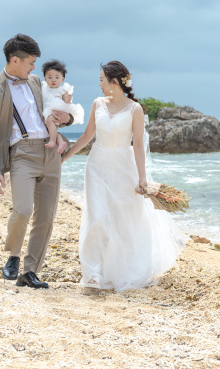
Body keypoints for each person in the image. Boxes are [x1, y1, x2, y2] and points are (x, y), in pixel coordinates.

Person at [61, 60, 185, 290]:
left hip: (123, 167)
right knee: (97, 216)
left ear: (114, 82)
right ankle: (93, 273)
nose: (98, 84)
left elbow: (138, 145)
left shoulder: (134, 109)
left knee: (124, 219)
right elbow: (88, 135)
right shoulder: (98, 103)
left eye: (101, 79)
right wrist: (65, 157)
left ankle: (126, 269)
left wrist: (142, 178)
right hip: (97, 165)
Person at [0, 34, 74, 289]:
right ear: (16, 60)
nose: (34, 68)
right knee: (22, 210)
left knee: (46, 216)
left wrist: (67, 119)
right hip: (22, 154)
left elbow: (57, 109)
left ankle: (30, 271)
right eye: (31, 62)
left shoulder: (34, 82)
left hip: (50, 152)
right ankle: (13, 255)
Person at [41, 59, 84, 154]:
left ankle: (52, 141)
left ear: (62, 79)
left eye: (57, 77)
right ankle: (60, 142)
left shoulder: (61, 90)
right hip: (47, 112)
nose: (53, 80)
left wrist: (67, 99)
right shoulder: (43, 88)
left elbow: (66, 99)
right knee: (51, 131)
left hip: (54, 112)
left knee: (49, 123)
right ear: (45, 78)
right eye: (50, 77)